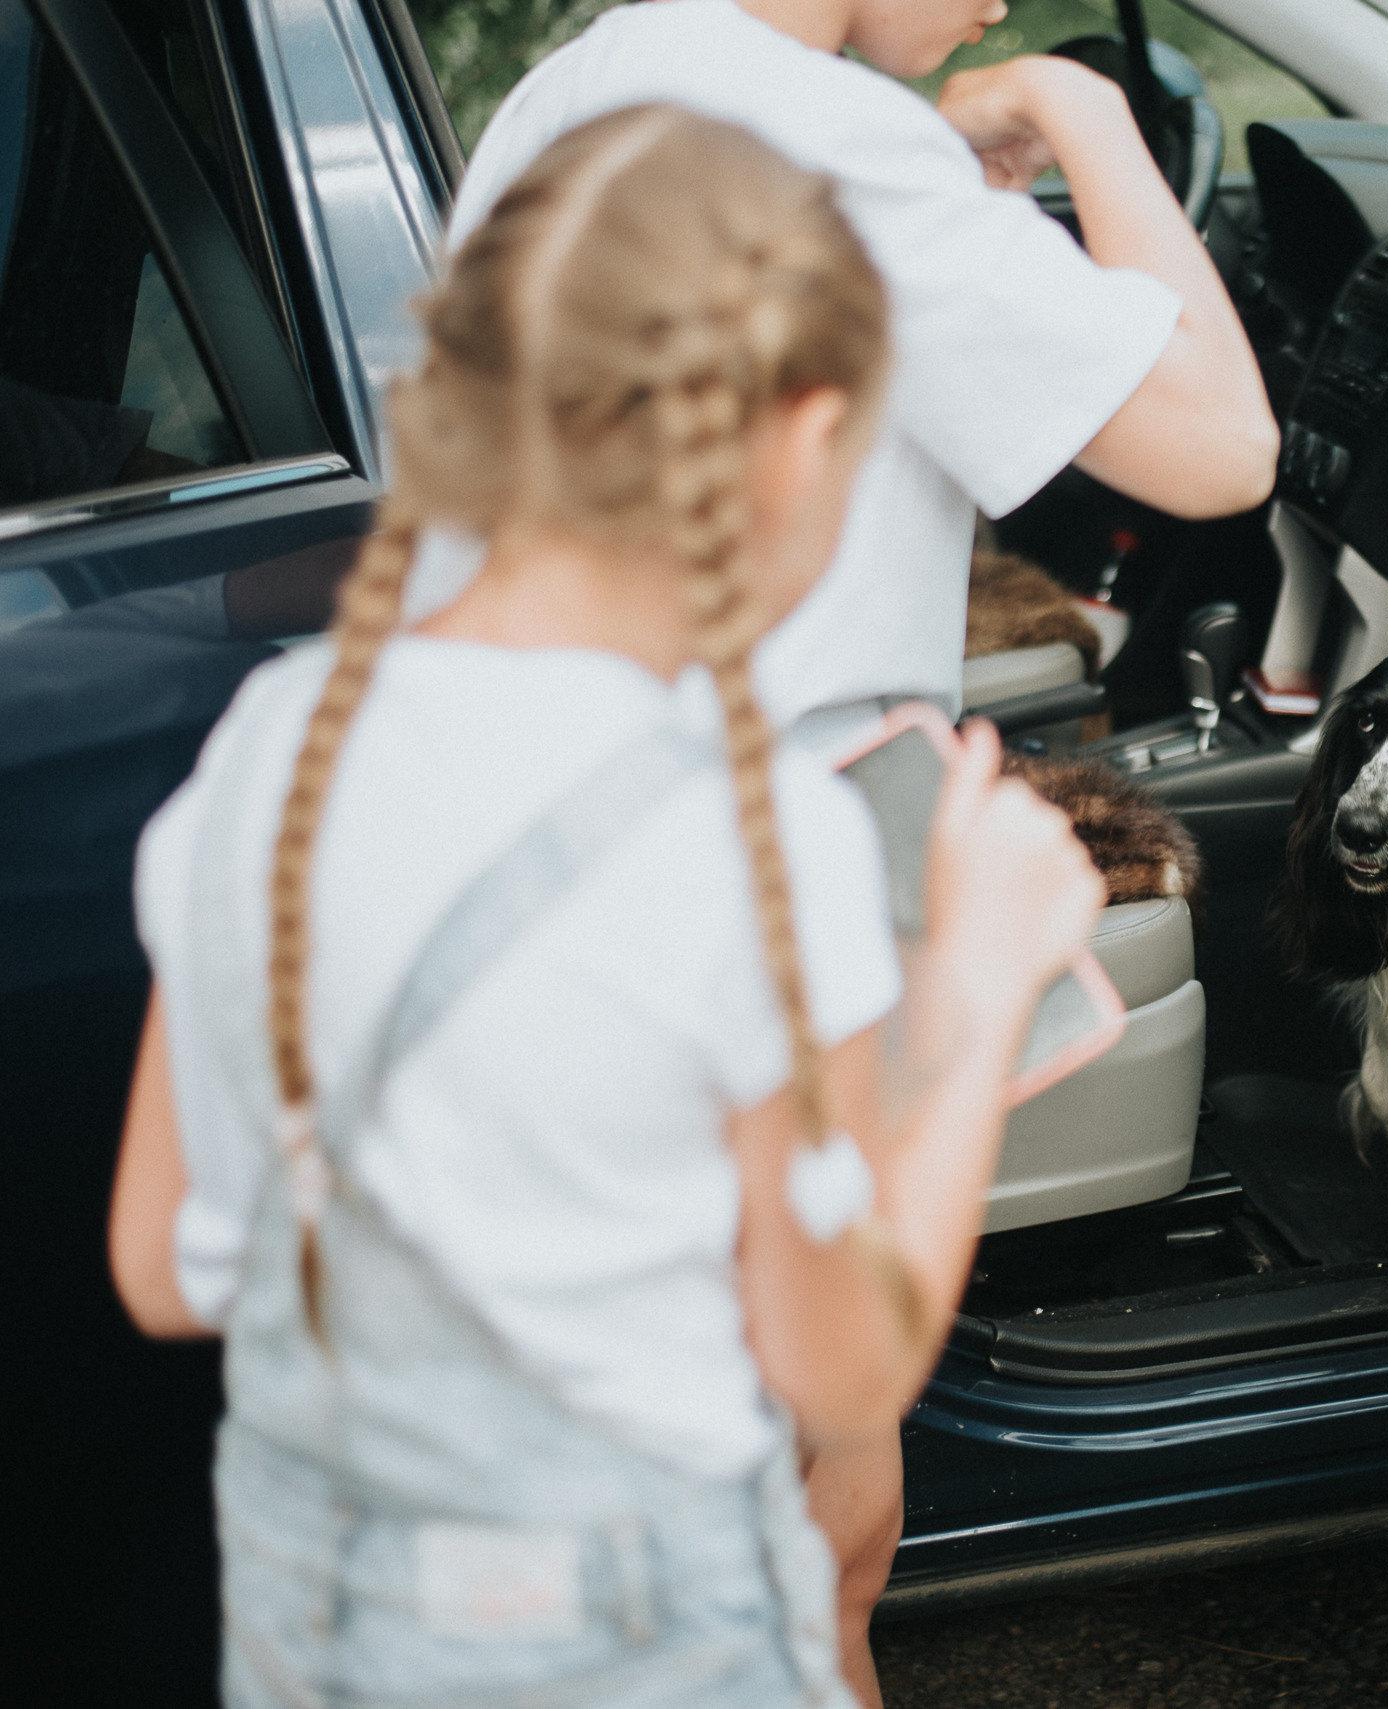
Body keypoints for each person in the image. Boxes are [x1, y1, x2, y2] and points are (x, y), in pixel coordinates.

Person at [106, 107, 1104, 1708]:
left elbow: (166, 1264)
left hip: (322, 1609)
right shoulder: (759, 834)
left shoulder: (268, 750)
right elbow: (840, 1359)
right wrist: (984, 985)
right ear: (798, 437)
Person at [422, 0, 1279, 760]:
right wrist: (1080, 106)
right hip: (777, 817)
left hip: (578, 784)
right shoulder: (826, 133)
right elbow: (1227, 447)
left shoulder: (567, 87)